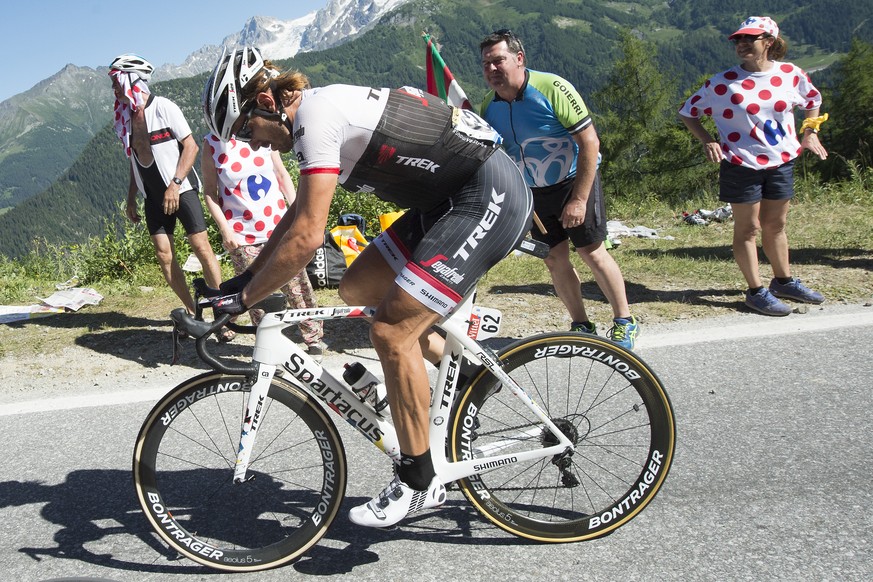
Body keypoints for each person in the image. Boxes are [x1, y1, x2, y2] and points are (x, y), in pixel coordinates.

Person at [202, 47, 534, 527]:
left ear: (269, 104)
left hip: (487, 196)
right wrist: (243, 280)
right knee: (358, 286)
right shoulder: (310, 121)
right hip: (443, 204)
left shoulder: (317, 115)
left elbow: (310, 236)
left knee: (391, 332)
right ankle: (458, 371)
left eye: (245, 129)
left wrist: (245, 300)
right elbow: (295, 217)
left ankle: (421, 481)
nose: (251, 145)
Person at [478, 30, 640, 349]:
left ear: (519, 59)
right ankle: (581, 325)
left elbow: (590, 141)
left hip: (573, 180)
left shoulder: (551, 88)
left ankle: (624, 321)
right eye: (486, 64)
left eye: (498, 60)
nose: (492, 69)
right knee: (554, 259)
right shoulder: (489, 104)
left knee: (591, 251)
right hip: (534, 192)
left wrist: (579, 199)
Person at [679, 16, 828, 316]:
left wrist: (809, 133)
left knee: (776, 225)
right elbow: (687, 112)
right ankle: (756, 291)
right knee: (748, 228)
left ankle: (783, 281)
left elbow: (813, 99)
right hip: (740, 164)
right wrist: (708, 140)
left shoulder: (790, 74)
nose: (742, 44)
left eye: (750, 39)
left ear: (769, 42)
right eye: (738, 40)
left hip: (781, 161)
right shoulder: (721, 83)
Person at [109, 54, 229, 336]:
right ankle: (192, 313)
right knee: (165, 256)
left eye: (116, 81)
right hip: (152, 197)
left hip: (182, 190)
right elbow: (134, 158)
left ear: (131, 80)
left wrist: (175, 184)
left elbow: (191, 147)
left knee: (201, 248)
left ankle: (220, 312)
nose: (114, 88)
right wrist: (131, 196)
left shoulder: (163, 107)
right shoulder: (125, 117)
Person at [200, 133, 326, 356]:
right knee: (257, 292)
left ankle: (313, 337)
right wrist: (224, 228)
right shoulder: (211, 144)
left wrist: (301, 210)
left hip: (279, 226)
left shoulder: (261, 136)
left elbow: (281, 174)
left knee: (297, 284)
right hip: (242, 233)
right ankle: (268, 344)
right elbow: (210, 192)